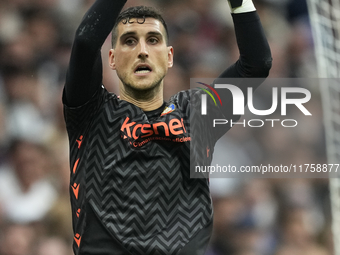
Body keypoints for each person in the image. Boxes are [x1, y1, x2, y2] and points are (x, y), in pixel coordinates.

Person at [63, 0, 272, 254]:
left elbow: (256, 64)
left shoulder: (197, 114)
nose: (142, 51)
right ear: (112, 58)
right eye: (129, 41)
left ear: (169, 56)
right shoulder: (91, 111)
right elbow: (86, 42)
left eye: (153, 40)